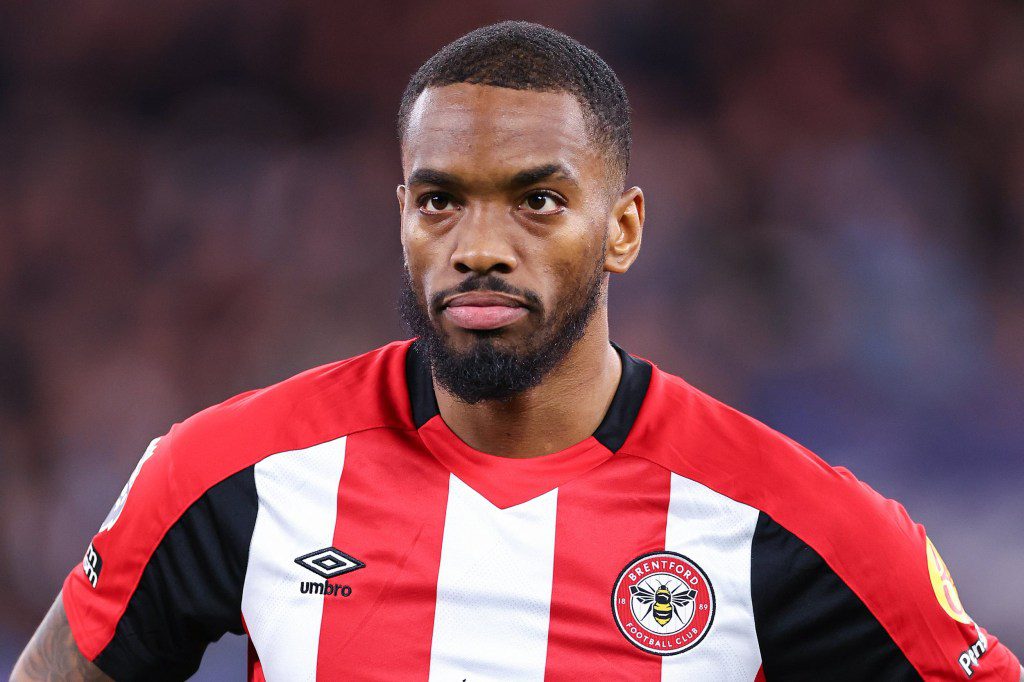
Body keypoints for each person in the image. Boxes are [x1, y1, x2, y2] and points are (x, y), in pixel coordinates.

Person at [11, 20, 1022, 682]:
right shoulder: (229, 473)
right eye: (438, 200)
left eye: (537, 201)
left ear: (623, 229)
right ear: (401, 217)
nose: (479, 246)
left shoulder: (789, 519)